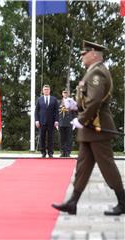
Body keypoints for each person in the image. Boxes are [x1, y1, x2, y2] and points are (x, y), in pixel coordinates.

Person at [52, 40, 124, 216]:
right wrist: (75, 105)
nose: (82, 57)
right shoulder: (92, 72)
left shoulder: (97, 72)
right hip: (90, 128)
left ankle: (123, 201)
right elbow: (88, 99)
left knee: (106, 165)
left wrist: (82, 119)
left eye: (84, 54)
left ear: (94, 54)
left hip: (97, 127)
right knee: (83, 166)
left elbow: (95, 101)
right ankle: (73, 202)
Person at [35, 84, 59, 158]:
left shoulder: (54, 99)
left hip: (51, 122)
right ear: (43, 91)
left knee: (51, 138)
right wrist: (36, 120)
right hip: (42, 122)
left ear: (49, 90)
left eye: (47, 89)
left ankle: (50, 152)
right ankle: (43, 152)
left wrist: (56, 120)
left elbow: (56, 111)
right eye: (45, 89)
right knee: (42, 137)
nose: (46, 91)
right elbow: (36, 111)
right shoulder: (39, 99)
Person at [58, 89, 77, 157]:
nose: (65, 94)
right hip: (61, 122)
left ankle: (68, 152)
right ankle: (62, 152)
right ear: (62, 94)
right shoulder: (59, 102)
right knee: (62, 138)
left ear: (68, 94)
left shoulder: (71, 101)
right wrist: (57, 122)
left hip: (70, 122)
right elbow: (56, 113)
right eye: (64, 93)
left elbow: (74, 112)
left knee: (69, 138)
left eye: (66, 93)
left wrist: (74, 122)